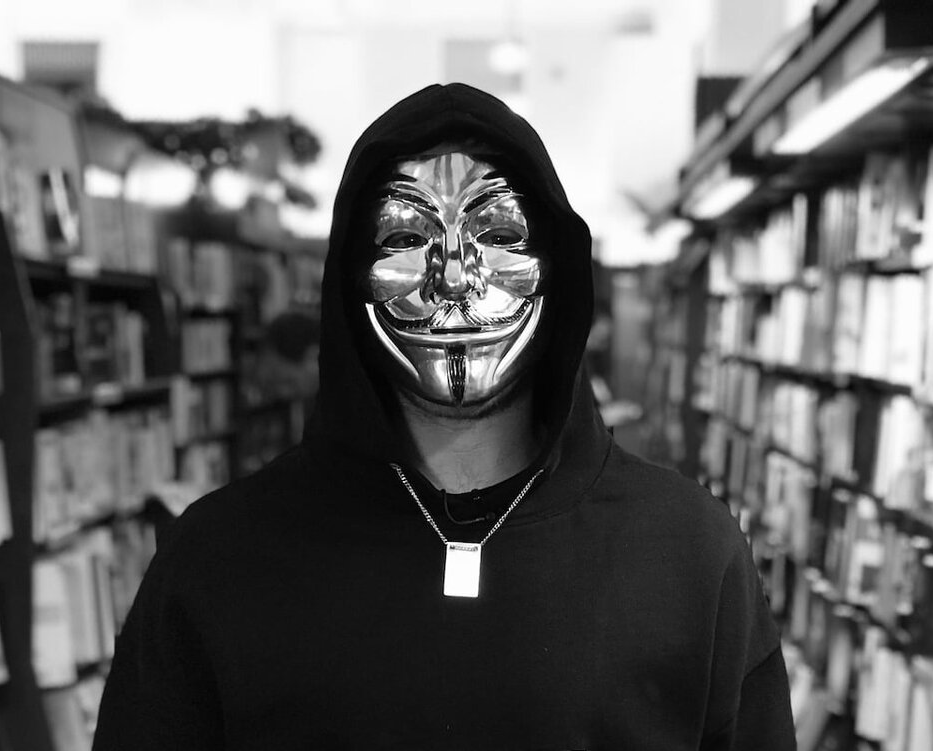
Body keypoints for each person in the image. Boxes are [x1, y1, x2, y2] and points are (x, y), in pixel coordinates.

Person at [93, 82, 795, 750]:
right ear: (348, 276)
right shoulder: (215, 564)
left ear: (558, 266)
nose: (454, 278)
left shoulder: (693, 558)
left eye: (500, 232)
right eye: (404, 238)